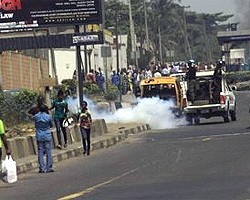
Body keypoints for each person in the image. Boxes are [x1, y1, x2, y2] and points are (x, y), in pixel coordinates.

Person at [33, 104, 54, 173]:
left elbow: (35, 124)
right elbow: (51, 125)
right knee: (48, 151)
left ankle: (42, 168)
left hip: (39, 135)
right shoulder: (48, 117)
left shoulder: (36, 116)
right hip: (47, 134)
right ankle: (49, 167)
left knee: (40, 151)